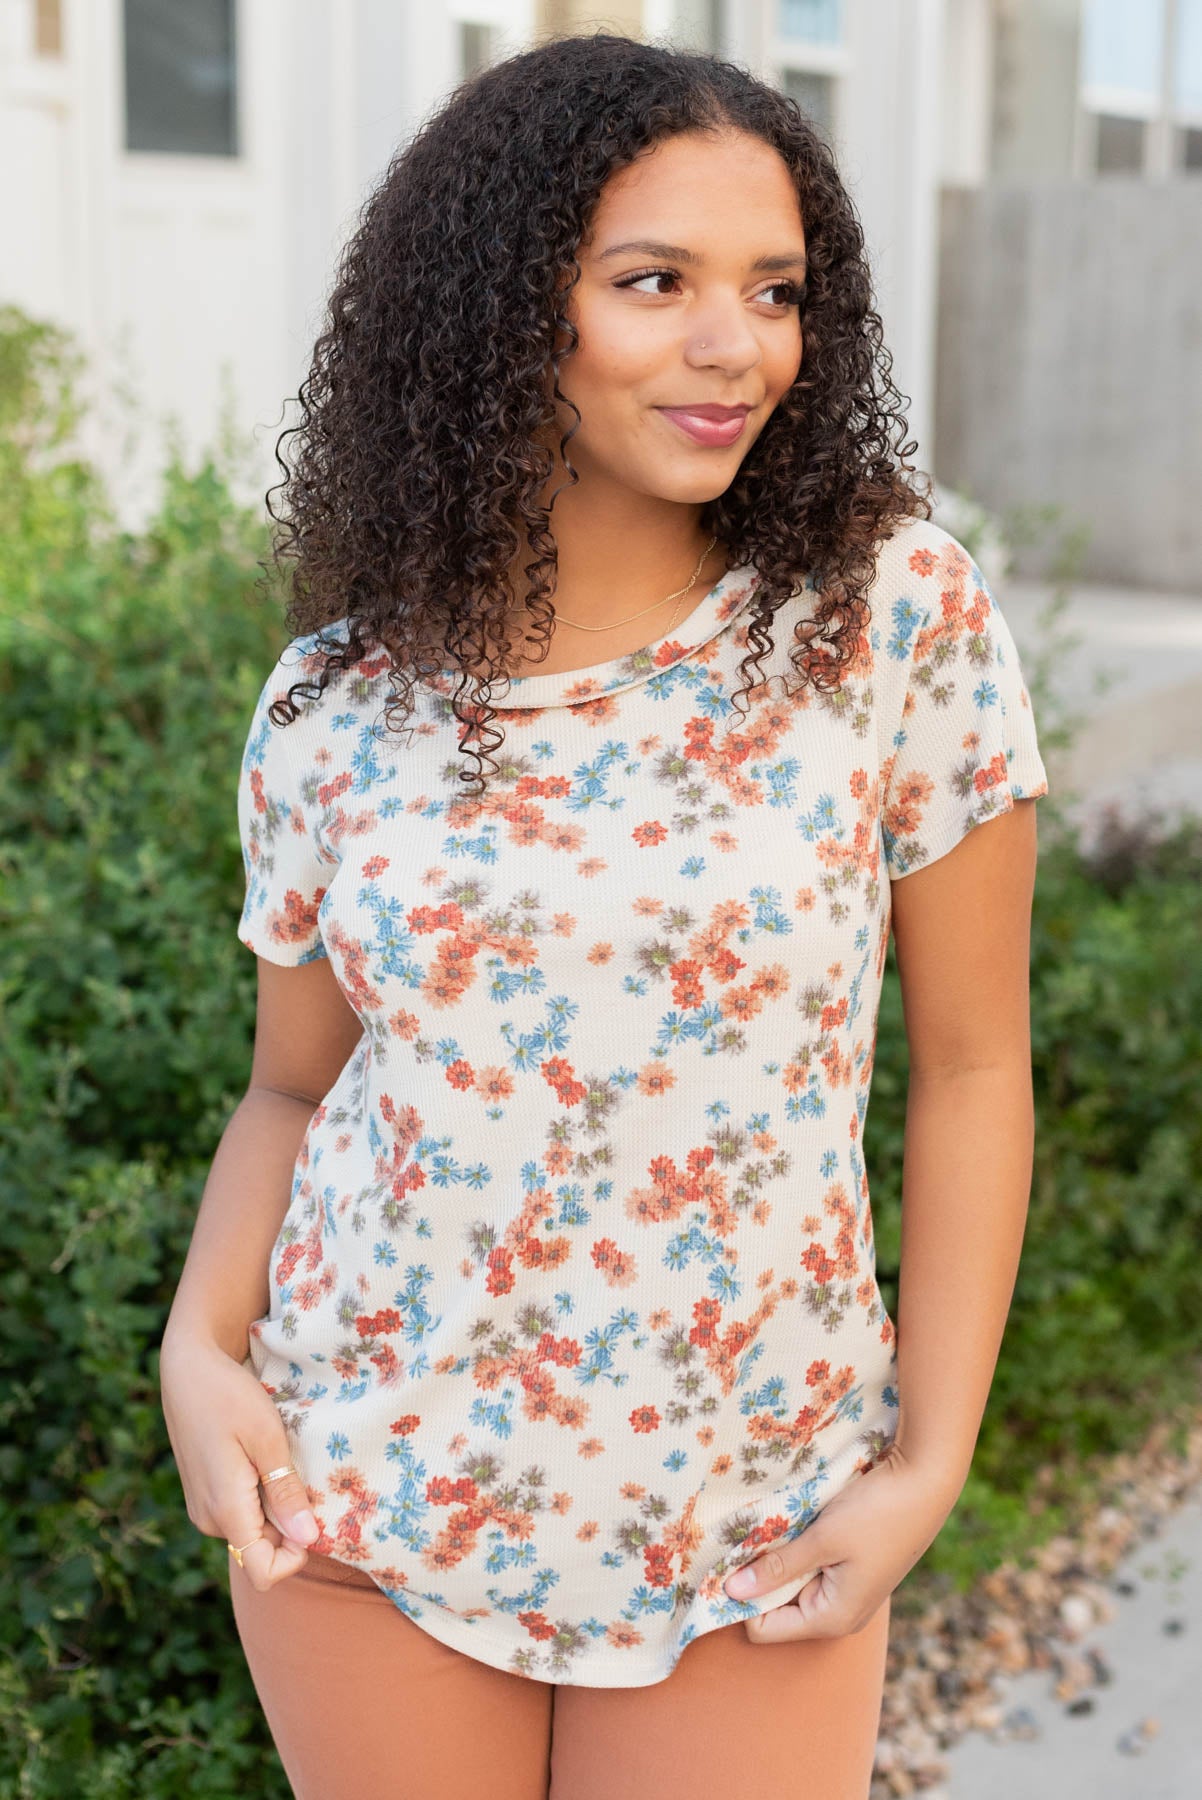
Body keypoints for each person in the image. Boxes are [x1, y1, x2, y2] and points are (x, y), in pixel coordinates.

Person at [159, 29, 1049, 1800]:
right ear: (499, 313)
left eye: (776, 290)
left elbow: (968, 1069)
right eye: (654, 283)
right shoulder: (337, 699)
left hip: (749, 1488)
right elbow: (293, 1091)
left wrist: (926, 1458)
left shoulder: (885, 618)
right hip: (368, 1473)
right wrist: (198, 1345)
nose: (737, 346)